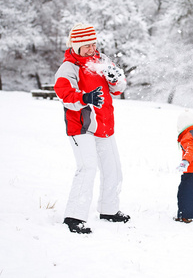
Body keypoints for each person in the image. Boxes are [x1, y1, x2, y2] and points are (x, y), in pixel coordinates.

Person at [54, 23, 130, 234]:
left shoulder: (101, 60)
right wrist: (85, 97)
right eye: (86, 45)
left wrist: (116, 81)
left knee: (113, 168)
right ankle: (74, 217)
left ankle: (109, 209)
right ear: (76, 45)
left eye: (93, 44)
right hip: (82, 125)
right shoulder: (69, 67)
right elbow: (64, 94)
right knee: (87, 168)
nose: (91, 49)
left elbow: (118, 87)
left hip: (104, 124)